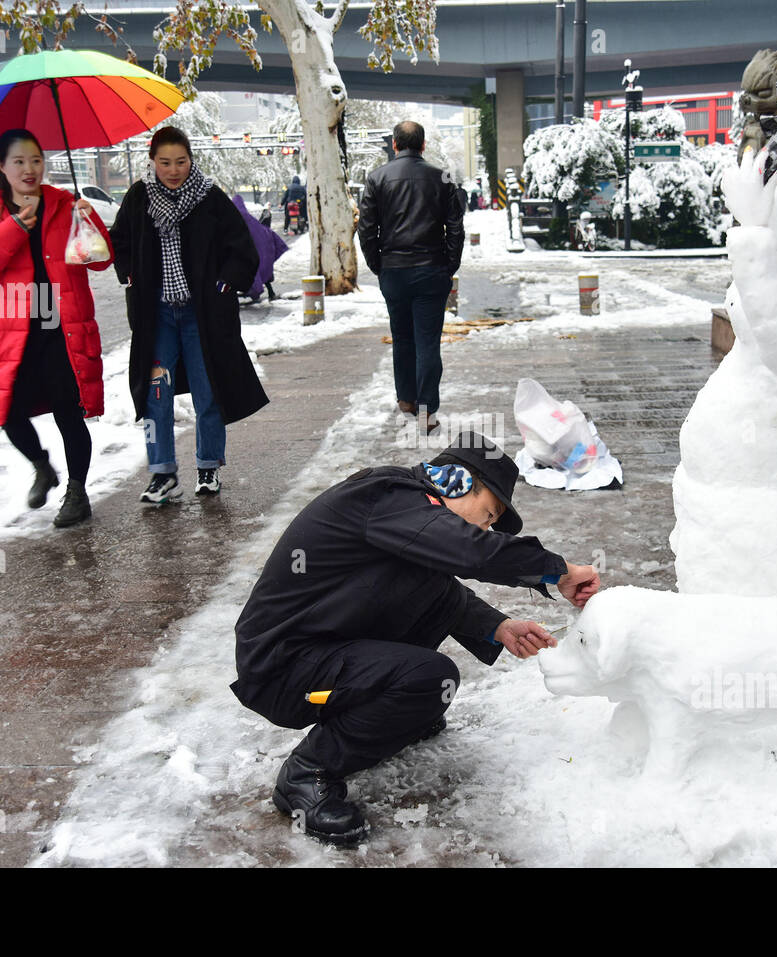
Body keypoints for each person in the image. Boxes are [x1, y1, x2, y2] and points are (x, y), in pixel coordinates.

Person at [230, 431, 601, 844]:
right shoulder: (386, 496)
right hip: (282, 667)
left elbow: (438, 590)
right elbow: (472, 552)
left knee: (424, 669)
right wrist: (560, 570)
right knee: (427, 677)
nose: (488, 525)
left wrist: (499, 627)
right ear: (455, 480)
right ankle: (306, 774)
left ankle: (387, 718)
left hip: (316, 654)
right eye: (490, 512)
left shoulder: (404, 519)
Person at [109, 126, 267, 503]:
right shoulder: (138, 197)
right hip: (156, 315)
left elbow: (243, 248)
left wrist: (227, 283)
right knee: (155, 394)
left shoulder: (209, 198)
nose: (173, 169)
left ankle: (208, 467)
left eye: (180, 161)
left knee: (207, 390)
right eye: (164, 162)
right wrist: (128, 271)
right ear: (153, 162)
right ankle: (161, 473)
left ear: (191, 160)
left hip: (203, 316)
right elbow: (119, 242)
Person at [0, 128, 114, 527]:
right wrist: (15, 227)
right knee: (8, 412)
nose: (29, 169)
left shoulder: (64, 204)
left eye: (36, 160)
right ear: (3, 166)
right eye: (18, 161)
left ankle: (77, 492)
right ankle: (43, 467)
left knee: (69, 413)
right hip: (18, 332)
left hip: (63, 328)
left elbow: (101, 260)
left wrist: (90, 223)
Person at [358, 120, 465, 435]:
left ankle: (405, 399)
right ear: (423, 145)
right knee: (427, 341)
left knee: (402, 337)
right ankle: (427, 411)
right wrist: (450, 266)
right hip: (431, 269)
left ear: (394, 144)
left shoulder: (377, 178)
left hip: (394, 270)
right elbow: (455, 227)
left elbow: (366, 229)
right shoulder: (441, 177)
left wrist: (378, 265)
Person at [232, 193, 288, 302]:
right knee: (262, 266)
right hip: (258, 253)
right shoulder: (249, 218)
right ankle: (271, 293)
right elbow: (262, 232)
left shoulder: (232, 218)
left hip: (243, 255)